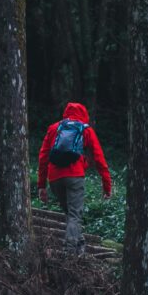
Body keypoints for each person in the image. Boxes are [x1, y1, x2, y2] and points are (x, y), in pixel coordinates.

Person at [36, 102, 112, 254]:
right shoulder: (86, 130)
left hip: (55, 178)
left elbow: (43, 157)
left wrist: (42, 185)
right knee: (74, 215)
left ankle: (80, 244)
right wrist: (106, 185)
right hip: (75, 177)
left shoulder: (54, 128)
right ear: (84, 115)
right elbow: (99, 158)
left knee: (71, 214)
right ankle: (70, 251)